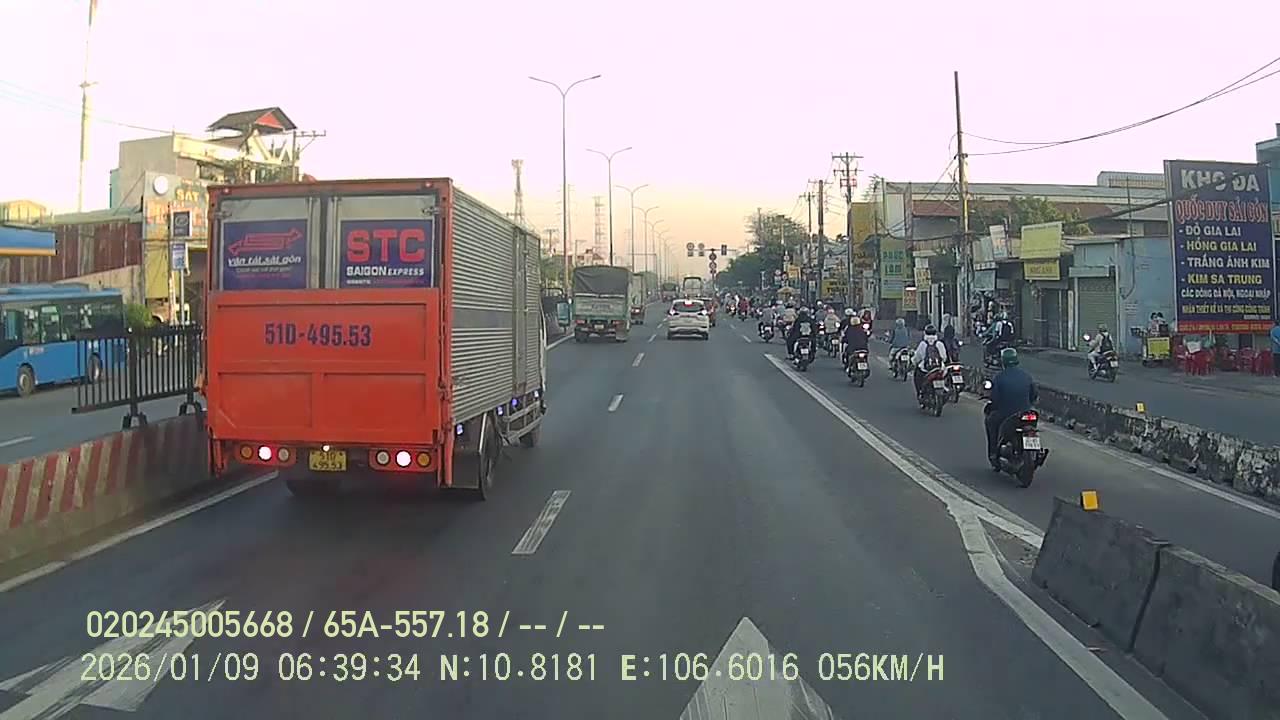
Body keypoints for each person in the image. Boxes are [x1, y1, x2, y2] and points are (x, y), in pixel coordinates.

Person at [986, 348, 1038, 466]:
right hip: (1025, 413)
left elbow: (995, 399)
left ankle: (993, 453)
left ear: (1003, 361)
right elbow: (1034, 395)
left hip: (1006, 414)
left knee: (990, 422)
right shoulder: (1027, 376)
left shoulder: (999, 377)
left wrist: (993, 406)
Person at [912, 324, 949, 398]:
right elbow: (944, 357)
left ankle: (920, 393)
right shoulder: (940, 344)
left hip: (926, 369)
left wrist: (913, 362)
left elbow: (917, 357)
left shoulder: (923, 344)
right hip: (939, 368)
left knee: (917, 375)